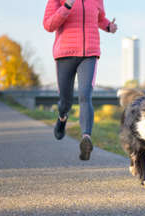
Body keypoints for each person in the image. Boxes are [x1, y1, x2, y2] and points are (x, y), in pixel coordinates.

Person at [43, 0, 117, 160]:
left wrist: (108, 26)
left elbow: (99, 19)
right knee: (65, 102)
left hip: (89, 54)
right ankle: (62, 118)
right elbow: (49, 25)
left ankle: (86, 138)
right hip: (64, 54)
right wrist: (67, 6)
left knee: (85, 95)